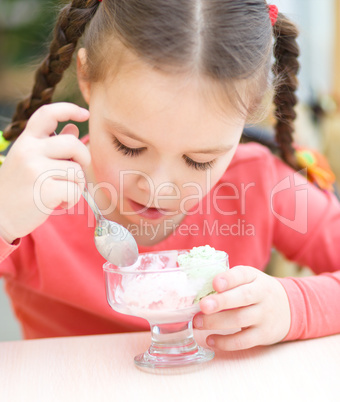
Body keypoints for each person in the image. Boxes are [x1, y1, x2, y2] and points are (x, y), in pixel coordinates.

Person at [0, 0, 339, 350]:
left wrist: (294, 306)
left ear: (248, 116)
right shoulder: (35, 194)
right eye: (129, 146)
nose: (158, 188)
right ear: (87, 78)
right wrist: (4, 220)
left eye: (198, 161)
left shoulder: (260, 182)